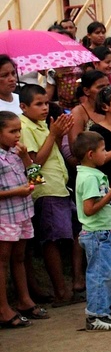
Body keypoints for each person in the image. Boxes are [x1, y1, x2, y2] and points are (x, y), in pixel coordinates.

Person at [18, 85, 76, 307]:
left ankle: (66, 287)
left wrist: (56, 134)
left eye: (45, 103)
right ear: (23, 107)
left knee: (61, 237)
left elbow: (52, 152)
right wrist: (54, 134)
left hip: (58, 187)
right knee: (50, 240)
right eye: (38, 104)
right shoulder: (24, 127)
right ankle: (61, 291)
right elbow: (33, 165)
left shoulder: (41, 124)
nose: (44, 108)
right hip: (45, 190)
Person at [73, 130, 111, 331]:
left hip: (103, 232)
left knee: (109, 274)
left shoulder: (94, 175)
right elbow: (89, 209)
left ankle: (104, 310)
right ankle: (94, 316)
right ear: (90, 154)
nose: (106, 153)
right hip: (95, 234)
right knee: (99, 275)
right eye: (103, 150)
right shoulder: (88, 178)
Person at [0, 111, 43, 329]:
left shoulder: (17, 153)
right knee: (3, 260)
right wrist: (16, 191)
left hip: (23, 213)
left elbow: (37, 178)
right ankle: (3, 308)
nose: (18, 135)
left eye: (19, 130)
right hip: (5, 216)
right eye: (12, 131)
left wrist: (26, 157)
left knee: (19, 256)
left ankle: (24, 300)